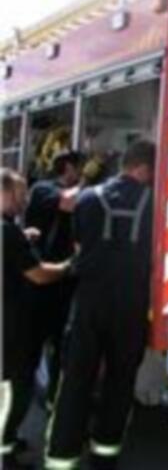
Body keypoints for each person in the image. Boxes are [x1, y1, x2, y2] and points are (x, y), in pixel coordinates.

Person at [45, 141, 156, 470]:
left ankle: (61, 458)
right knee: (120, 382)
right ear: (145, 168)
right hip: (132, 304)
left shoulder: (87, 198)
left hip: (89, 302)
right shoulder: (158, 203)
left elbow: (79, 246)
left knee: (75, 382)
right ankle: (105, 457)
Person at [2, 169, 70, 469]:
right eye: (20, 193)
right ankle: (5, 451)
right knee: (15, 390)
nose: (25, 200)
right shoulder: (7, 232)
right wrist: (70, 265)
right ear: (4, 192)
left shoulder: (9, 230)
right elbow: (39, 275)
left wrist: (23, 238)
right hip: (11, 327)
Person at [24, 150, 84, 407]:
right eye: (80, 168)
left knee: (61, 342)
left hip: (67, 279)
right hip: (43, 280)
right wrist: (92, 182)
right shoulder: (42, 189)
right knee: (35, 341)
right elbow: (67, 202)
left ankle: (53, 398)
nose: (81, 173)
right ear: (68, 167)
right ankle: (21, 392)